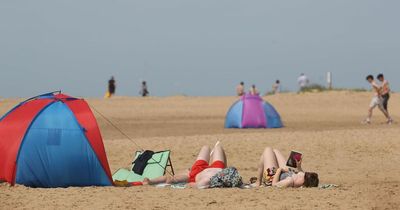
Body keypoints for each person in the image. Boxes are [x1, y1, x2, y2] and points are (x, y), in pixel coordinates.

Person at [143, 143, 242, 189]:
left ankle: (150, 181)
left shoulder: (208, 181)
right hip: (213, 168)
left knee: (171, 179)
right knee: (213, 147)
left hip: (197, 172)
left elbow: (191, 185)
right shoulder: (221, 174)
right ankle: (150, 181)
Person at [252, 147, 319, 188]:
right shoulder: (303, 177)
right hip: (285, 172)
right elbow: (301, 172)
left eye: (305, 176)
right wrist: (299, 166)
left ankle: (258, 182)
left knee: (268, 149)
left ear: (303, 184)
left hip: (271, 177)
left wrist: (280, 169)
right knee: (275, 151)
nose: (303, 174)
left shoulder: (289, 181)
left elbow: (274, 184)